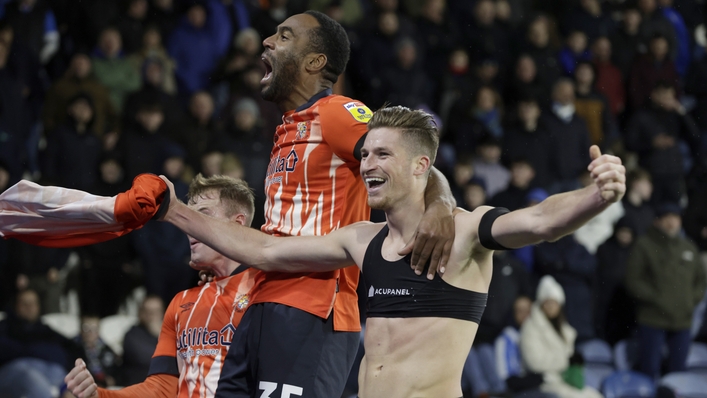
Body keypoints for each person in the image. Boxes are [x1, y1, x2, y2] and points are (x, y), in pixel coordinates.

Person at [158, 105, 626, 397]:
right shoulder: (362, 240)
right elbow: (264, 251)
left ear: (422, 165)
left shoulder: (465, 231)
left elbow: (542, 220)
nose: (366, 164)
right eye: (364, 155)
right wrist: (174, 210)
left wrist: (597, 195)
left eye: (382, 154)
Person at [202, 11, 454, 398]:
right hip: (261, 304)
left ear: (315, 61)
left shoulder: (336, 113)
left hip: (313, 309)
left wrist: (440, 205)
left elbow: (408, 161)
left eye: (284, 37)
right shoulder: (289, 125)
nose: (268, 41)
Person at [64, 174, 260, 397]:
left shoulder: (268, 291)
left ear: (237, 223)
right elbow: (160, 389)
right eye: (189, 218)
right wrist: (99, 395)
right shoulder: (182, 303)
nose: (190, 229)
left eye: (203, 216)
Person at [625, 203, 706, 380]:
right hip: (653, 318)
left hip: (682, 320)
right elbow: (633, 280)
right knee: (649, 370)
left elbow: (701, 280)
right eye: (666, 217)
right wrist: (656, 299)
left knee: (678, 373)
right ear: (657, 221)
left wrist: (691, 300)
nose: (671, 222)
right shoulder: (644, 245)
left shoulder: (688, 247)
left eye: (675, 218)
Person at [521, 276, 602, 398]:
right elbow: (534, 362)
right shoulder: (530, 327)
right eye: (548, 302)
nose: (551, 306)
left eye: (554, 302)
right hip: (545, 382)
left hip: (566, 380)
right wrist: (565, 360)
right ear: (541, 303)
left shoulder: (564, 327)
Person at [121, 295, 165, 386]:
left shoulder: (170, 333)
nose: (151, 315)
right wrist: (157, 335)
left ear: (162, 313)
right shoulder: (132, 334)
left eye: (156, 311)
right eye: (148, 311)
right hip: (139, 387)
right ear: (140, 313)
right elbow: (150, 358)